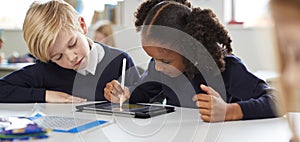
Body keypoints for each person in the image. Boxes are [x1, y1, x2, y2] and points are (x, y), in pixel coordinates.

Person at [104, 0, 277, 122]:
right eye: (153, 59)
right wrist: (125, 94)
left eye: (165, 61)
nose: (157, 67)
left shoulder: (225, 67)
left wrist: (230, 111)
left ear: (189, 50)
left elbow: (275, 100)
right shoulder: (160, 67)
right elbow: (144, 94)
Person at [0, 0, 140, 103]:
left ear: (82, 25)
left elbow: (147, 97)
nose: (71, 57)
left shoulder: (120, 61)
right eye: (58, 56)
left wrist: (127, 94)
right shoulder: (46, 70)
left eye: (72, 44)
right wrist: (46, 95)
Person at [251, 0, 300, 142]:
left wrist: (233, 110)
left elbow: (271, 101)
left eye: (298, 55)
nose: (289, 77)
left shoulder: (232, 69)